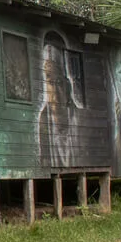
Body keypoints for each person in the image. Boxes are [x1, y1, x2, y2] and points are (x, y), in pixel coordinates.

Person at [39, 31, 78, 167]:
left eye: (59, 82)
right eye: (50, 81)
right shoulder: (44, 118)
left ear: (67, 85)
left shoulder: (75, 116)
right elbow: (44, 160)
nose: (55, 92)